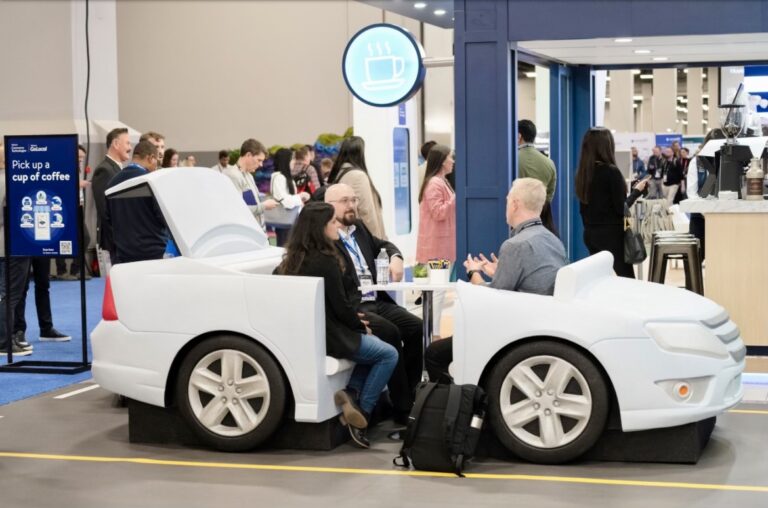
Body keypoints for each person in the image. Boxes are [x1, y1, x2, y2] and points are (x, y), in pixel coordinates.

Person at [276, 202, 397, 448]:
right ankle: (362, 411)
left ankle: (352, 393)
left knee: (376, 346)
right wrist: (360, 326)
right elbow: (341, 305)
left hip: (312, 332)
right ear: (319, 227)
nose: (338, 225)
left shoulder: (291, 261)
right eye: (332, 222)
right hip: (333, 335)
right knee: (388, 354)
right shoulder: (326, 260)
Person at [425, 178, 568, 382]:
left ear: (516, 204)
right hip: (541, 319)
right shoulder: (551, 239)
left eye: (508, 200)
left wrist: (474, 272)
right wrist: (498, 273)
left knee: (434, 353)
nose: (506, 205)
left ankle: (453, 408)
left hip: (516, 329)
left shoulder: (515, 245)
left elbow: (492, 301)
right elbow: (526, 280)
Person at [325, 183, 423, 423]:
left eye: (354, 200)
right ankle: (402, 408)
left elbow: (383, 245)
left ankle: (412, 394)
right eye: (345, 201)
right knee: (390, 332)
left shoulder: (357, 227)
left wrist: (396, 257)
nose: (352, 206)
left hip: (377, 298)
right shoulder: (327, 237)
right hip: (355, 306)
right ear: (329, 206)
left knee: (416, 327)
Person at [575, 127, 647, 278]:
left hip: (590, 234)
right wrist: (636, 192)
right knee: (627, 279)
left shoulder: (583, 173)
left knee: (599, 279)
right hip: (612, 236)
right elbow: (621, 208)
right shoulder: (611, 171)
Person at [416, 144, 455, 339]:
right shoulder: (434, 184)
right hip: (437, 248)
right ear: (442, 161)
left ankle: (433, 332)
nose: (453, 161)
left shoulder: (441, 182)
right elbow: (439, 212)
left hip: (441, 246)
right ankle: (434, 333)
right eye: (450, 158)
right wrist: (455, 200)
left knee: (438, 291)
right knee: (437, 291)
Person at [105, 140, 167, 264]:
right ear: (151, 158)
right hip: (152, 251)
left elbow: (108, 218)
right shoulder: (151, 182)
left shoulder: (112, 183)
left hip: (123, 252)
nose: (156, 166)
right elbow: (162, 216)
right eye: (157, 160)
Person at [0, 142, 33, 356]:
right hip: (12, 244)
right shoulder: (9, 181)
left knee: (7, 293)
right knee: (9, 294)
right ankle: (4, 342)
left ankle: (9, 336)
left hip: (6, 245)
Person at [327, 136, 386, 239]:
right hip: (360, 237)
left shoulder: (338, 173)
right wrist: (376, 242)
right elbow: (366, 212)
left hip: (345, 234)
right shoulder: (358, 176)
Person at [92, 127, 131, 263]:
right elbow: (104, 209)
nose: (130, 148)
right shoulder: (105, 170)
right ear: (115, 144)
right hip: (117, 240)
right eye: (127, 143)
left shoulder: (118, 169)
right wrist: (120, 237)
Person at [223, 139, 279, 230]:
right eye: (259, 160)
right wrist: (264, 206)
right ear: (248, 155)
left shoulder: (249, 176)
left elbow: (252, 203)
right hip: (245, 232)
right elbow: (238, 209)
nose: (261, 165)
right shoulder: (232, 175)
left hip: (257, 230)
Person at [55, 144, 91, 280]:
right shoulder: (62, 168)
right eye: (79, 157)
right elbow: (59, 186)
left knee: (84, 238)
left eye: (83, 157)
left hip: (78, 207)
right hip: (65, 209)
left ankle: (75, 270)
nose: (81, 160)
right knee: (63, 239)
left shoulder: (77, 169)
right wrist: (77, 184)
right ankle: (61, 271)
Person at [517, 119, 558, 235]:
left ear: (519, 136)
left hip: (519, 219)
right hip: (542, 218)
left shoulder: (512, 160)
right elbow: (549, 196)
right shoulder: (549, 163)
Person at [271, 148, 310, 246]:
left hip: (291, 220)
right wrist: (300, 196)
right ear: (285, 161)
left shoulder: (285, 177)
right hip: (285, 221)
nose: (294, 162)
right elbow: (285, 201)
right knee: (286, 249)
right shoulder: (279, 177)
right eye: (292, 159)